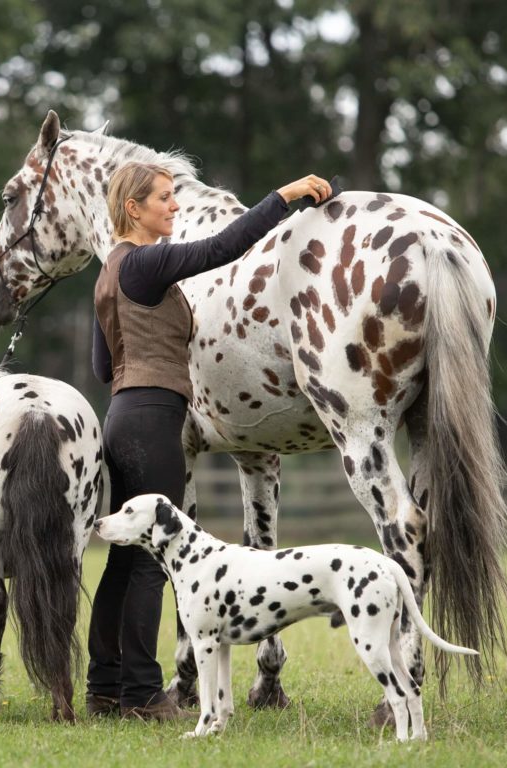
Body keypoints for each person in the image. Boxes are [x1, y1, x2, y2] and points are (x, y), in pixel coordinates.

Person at [87, 161, 332, 722]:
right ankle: (144, 696)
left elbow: (103, 366)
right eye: (164, 199)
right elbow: (221, 248)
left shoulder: (108, 274)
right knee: (151, 564)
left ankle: (105, 686)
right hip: (153, 419)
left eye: (175, 198)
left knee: (123, 562)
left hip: (122, 415)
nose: (174, 208)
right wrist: (285, 195)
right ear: (134, 209)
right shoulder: (146, 264)